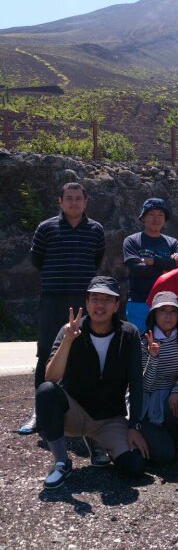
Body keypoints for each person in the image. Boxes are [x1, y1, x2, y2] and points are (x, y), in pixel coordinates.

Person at [35, 277, 148, 489]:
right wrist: (68, 340)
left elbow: (136, 382)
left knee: (135, 467)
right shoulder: (70, 330)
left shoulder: (129, 333)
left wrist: (134, 426)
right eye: (95, 298)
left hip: (109, 419)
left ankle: (97, 442)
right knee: (46, 391)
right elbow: (51, 377)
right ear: (86, 303)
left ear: (116, 305)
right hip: (74, 413)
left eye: (107, 299)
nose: (100, 305)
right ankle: (61, 462)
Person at [19, 182, 105, 436]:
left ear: (86, 201)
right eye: (69, 198)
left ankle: (82, 410)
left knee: (84, 353)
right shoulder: (46, 228)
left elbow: (96, 259)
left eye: (79, 198)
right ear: (60, 201)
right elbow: (37, 260)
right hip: (53, 299)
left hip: (84, 300)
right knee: (46, 353)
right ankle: (40, 410)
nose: (74, 202)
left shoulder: (96, 230)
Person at [140, 291, 178, 463]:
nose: (168, 316)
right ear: (154, 314)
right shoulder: (142, 341)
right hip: (145, 404)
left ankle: (174, 436)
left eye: (173, 311)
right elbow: (145, 386)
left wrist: (176, 391)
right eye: (163, 310)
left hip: (169, 397)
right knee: (165, 456)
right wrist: (153, 357)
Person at [123, 198, 178, 333]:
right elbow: (136, 269)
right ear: (143, 218)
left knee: (166, 345)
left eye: (160, 215)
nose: (156, 218)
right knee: (139, 345)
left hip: (167, 303)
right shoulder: (132, 241)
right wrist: (166, 267)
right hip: (139, 301)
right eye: (151, 214)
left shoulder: (172, 243)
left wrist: (152, 261)